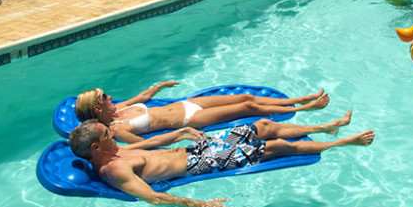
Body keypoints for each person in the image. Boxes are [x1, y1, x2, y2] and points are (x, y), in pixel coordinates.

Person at [68, 112, 375, 207]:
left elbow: (149, 144)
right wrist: (201, 205)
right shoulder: (113, 168)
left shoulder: (115, 150)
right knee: (276, 146)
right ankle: (341, 142)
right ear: (96, 147)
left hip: (199, 148)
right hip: (201, 164)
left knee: (263, 126)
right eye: (107, 134)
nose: (113, 134)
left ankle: (323, 128)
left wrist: (180, 133)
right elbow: (152, 198)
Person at [75, 81, 330, 143]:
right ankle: (307, 106)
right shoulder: (117, 129)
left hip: (189, 103)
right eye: (104, 97)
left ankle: (300, 98)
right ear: (98, 108)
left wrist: (161, 86)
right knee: (248, 108)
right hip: (189, 118)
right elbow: (147, 143)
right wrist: (181, 135)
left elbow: (143, 97)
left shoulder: (119, 109)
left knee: (245, 96)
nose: (110, 97)